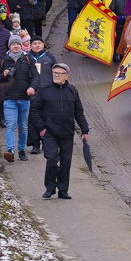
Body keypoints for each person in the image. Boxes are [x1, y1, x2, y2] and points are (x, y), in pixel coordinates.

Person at [29, 63, 90, 200]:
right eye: (54, 73)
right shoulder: (45, 90)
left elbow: (79, 113)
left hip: (67, 133)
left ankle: (63, 190)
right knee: (51, 158)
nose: (56, 75)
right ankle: (50, 188)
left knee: (65, 162)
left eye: (59, 73)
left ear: (66, 76)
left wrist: (84, 129)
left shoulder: (72, 91)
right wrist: (41, 128)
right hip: (49, 132)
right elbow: (34, 109)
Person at [0, 35, 38, 162]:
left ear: (21, 45)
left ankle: (21, 150)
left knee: (23, 126)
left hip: (24, 98)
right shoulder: (4, 60)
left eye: (18, 44)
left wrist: (32, 88)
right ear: (9, 46)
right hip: (9, 99)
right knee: (10, 125)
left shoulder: (28, 59)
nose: (15, 46)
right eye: (13, 44)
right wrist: (2, 75)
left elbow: (36, 77)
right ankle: (10, 150)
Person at [26, 36, 57, 155]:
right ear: (30, 45)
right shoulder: (27, 58)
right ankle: (35, 144)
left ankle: (47, 142)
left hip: (48, 92)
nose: (37, 45)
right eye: (34, 43)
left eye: (39, 43)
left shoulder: (50, 58)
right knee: (34, 119)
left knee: (47, 118)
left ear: (43, 45)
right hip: (33, 93)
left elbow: (57, 73)